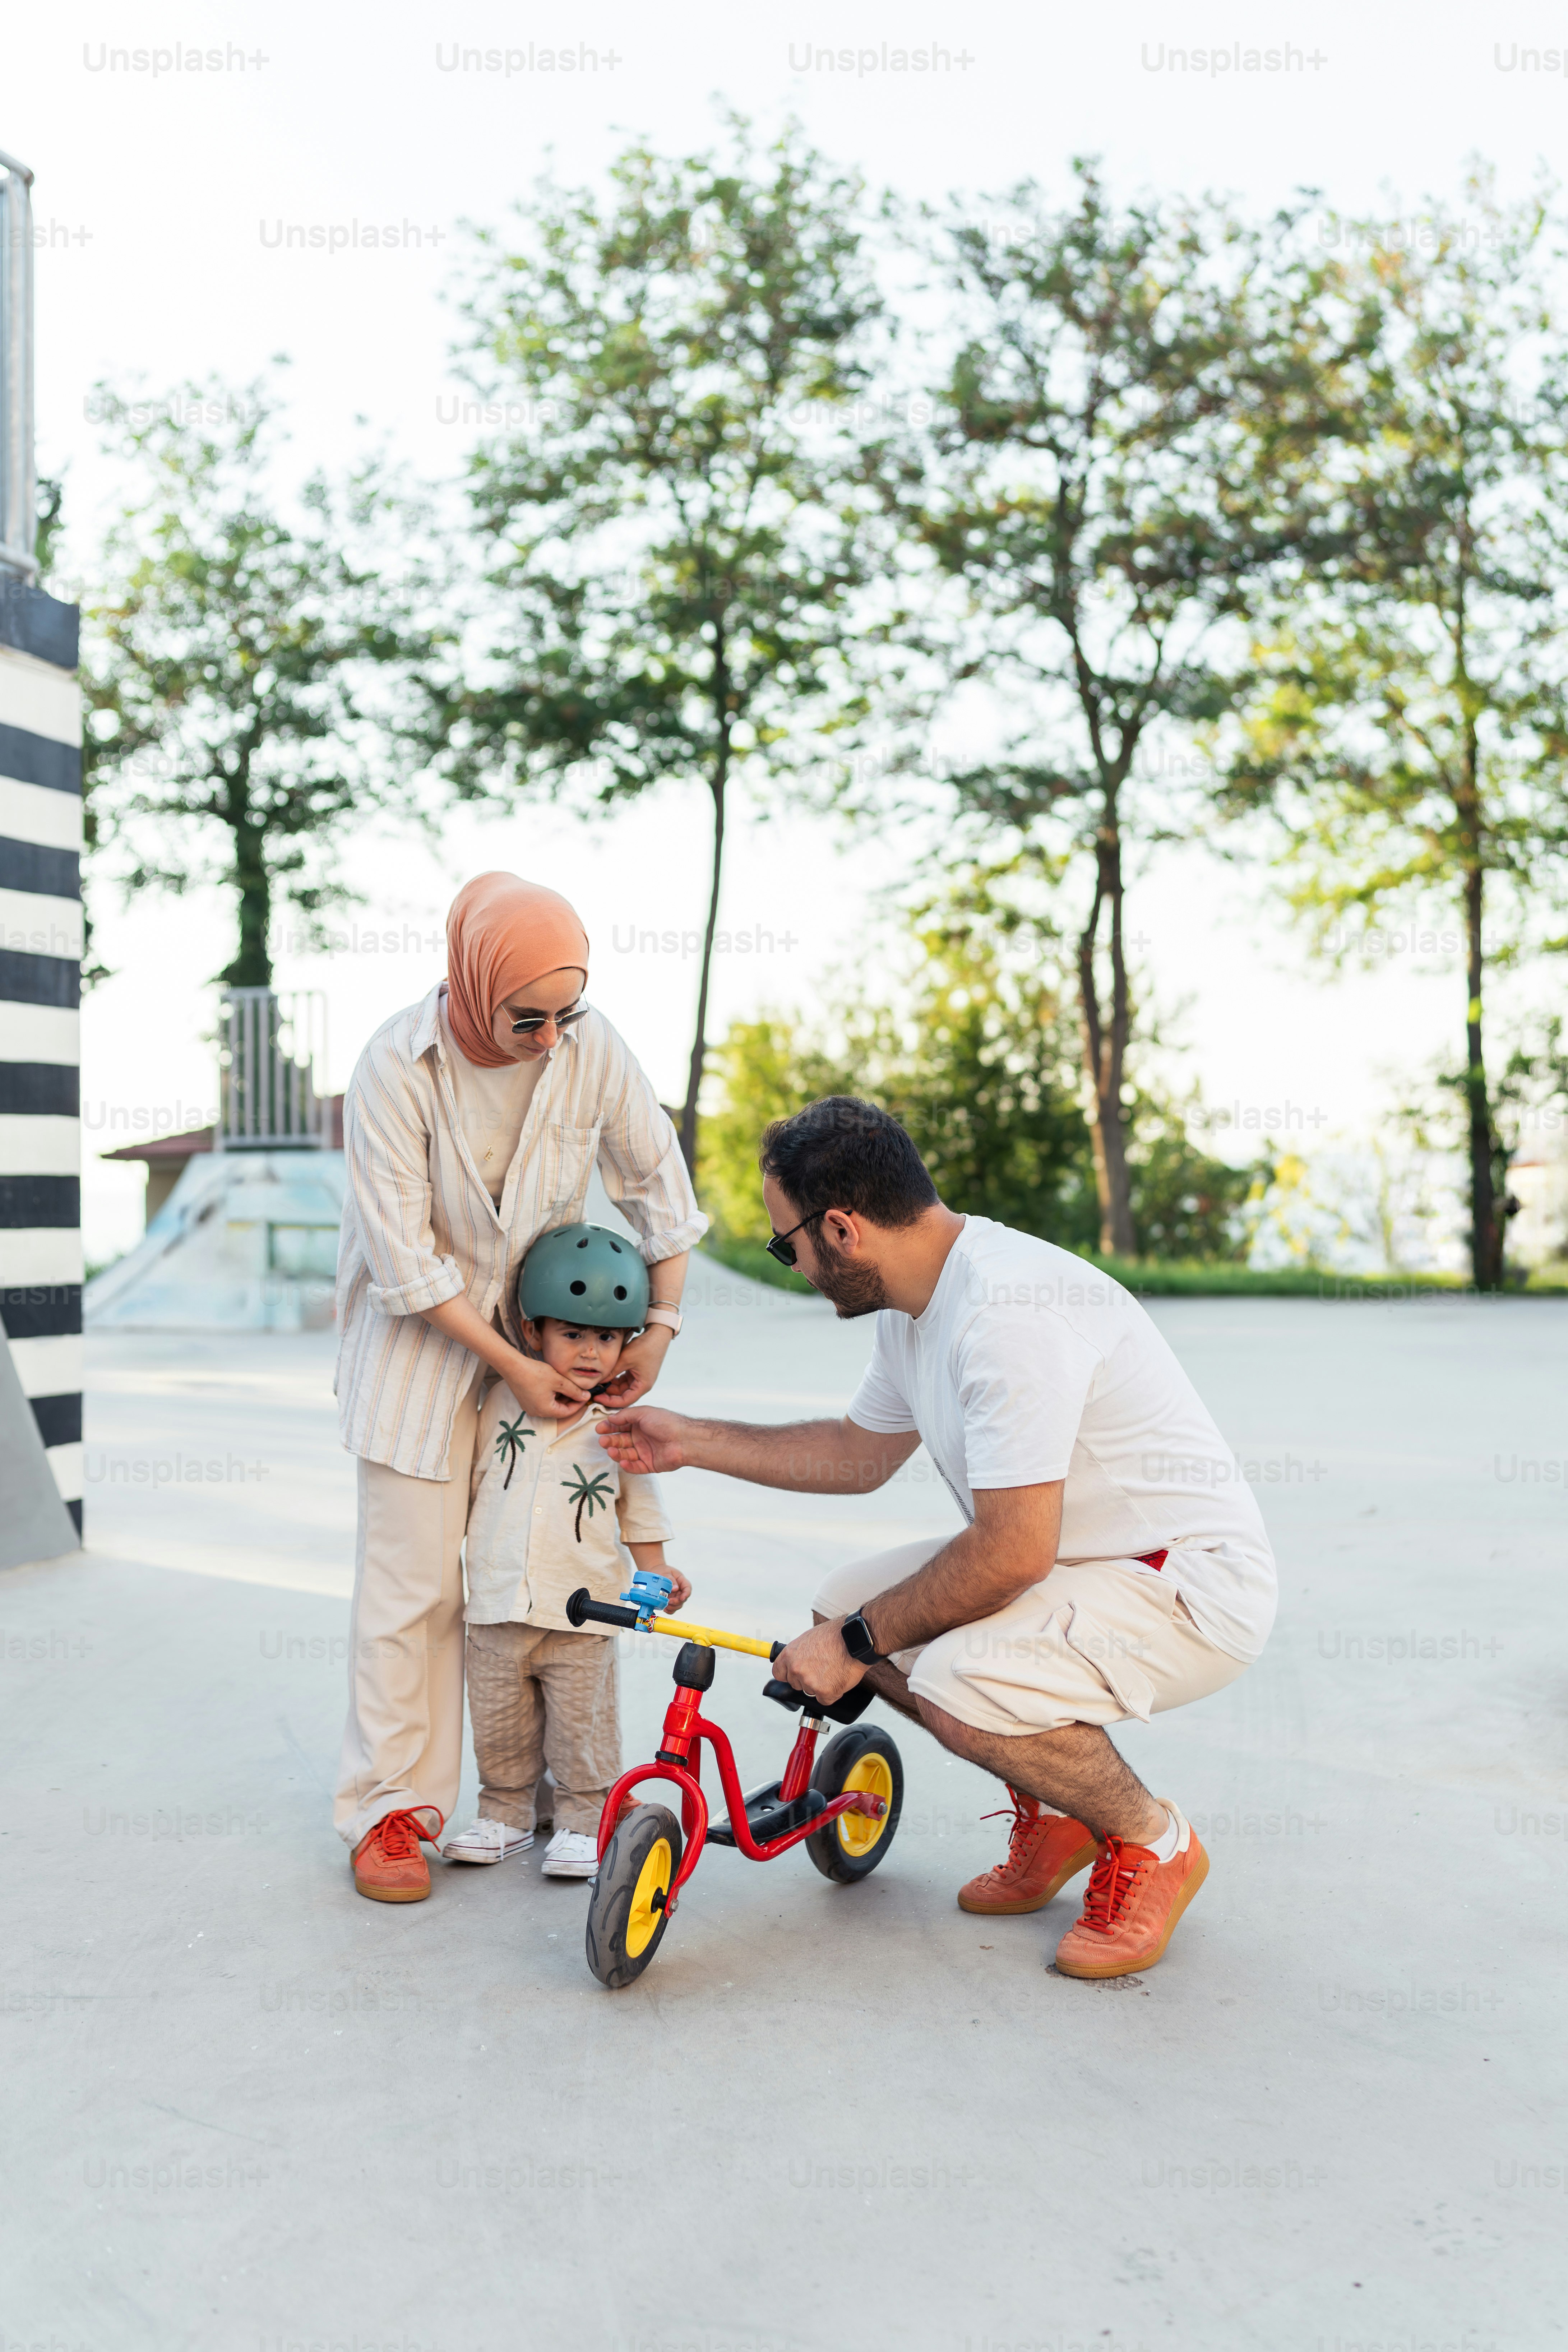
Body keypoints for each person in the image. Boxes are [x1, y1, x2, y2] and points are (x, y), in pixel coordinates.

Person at [599, 1096, 1276, 1982]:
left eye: (785, 1244)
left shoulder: (1005, 1316)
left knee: (950, 1678)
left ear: (839, 1229)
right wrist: (689, 1440)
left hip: (1183, 1586)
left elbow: (1010, 1554)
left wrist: (851, 1646)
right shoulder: (916, 1301)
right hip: (1083, 1561)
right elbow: (857, 1454)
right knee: (846, 1601)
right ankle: (1060, 1809)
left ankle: (1153, 1839)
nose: (792, 1264)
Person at [333, 872, 706, 1903]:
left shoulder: (591, 1049)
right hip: (424, 1349)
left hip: (554, 1340)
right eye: (524, 1016)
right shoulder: (393, 1066)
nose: (548, 1037)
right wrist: (510, 1363)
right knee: (418, 1587)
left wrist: (658, 1331)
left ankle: (557, 1794)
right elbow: (405, 1266)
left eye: (564, 1013)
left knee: (550, 1566)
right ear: (468, 981)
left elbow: (661, 1197)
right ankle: (391, 1812)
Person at [443, 1224, 690, 1880]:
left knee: (582, 1729)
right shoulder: (499, 1401)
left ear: (628, 1342)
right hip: (496, 1607)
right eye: (572, 1333)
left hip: (584, 1616)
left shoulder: (618, 1423)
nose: (589, 1352)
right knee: (501, 1729)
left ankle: (585, 1820)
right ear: (533, 1333)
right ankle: (506, 1814)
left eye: (606, 1338)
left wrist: (657, 1569)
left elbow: (639, 1507)